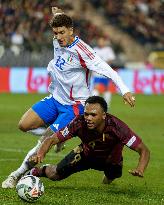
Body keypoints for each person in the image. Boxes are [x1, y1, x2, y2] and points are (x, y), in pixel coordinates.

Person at [2, 7, 135, 189]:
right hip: (55, 98)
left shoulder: (83, 52)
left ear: (71, 31)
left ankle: (15, 176)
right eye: (55, 33)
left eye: (62, 33)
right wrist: (58, 14)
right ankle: (62, 135)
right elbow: (60, 21)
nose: (58, 37)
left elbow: (109, 71)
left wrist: (125, 90)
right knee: (23, 125)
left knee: (46, 140)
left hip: (74, 105)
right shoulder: (58, 39)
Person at [28, 96, 150, 184]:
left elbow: (144, 150)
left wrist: (140, 169)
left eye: (93, 115)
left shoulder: (118, 128)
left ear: (104, 115)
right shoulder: (78, 122)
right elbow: (51, 139)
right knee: (54, 174)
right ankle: (34, 173)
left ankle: (107, 178)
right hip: (85, 155)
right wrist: (40, 154)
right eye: (86, 114)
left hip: (111, 161)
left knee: (110, 178)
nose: (88, 118)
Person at [91, 36, 116, 106]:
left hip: (106, 72)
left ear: (104, 42)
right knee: (96, 88)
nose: (100, 43)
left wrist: (104, 64)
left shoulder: (108, 49)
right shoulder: (95, 49)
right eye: (99, 41)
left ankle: (106, 105)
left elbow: (111, 59)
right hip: (97, 72)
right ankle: (94, 104)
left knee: (107, 88)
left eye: (102, 41)